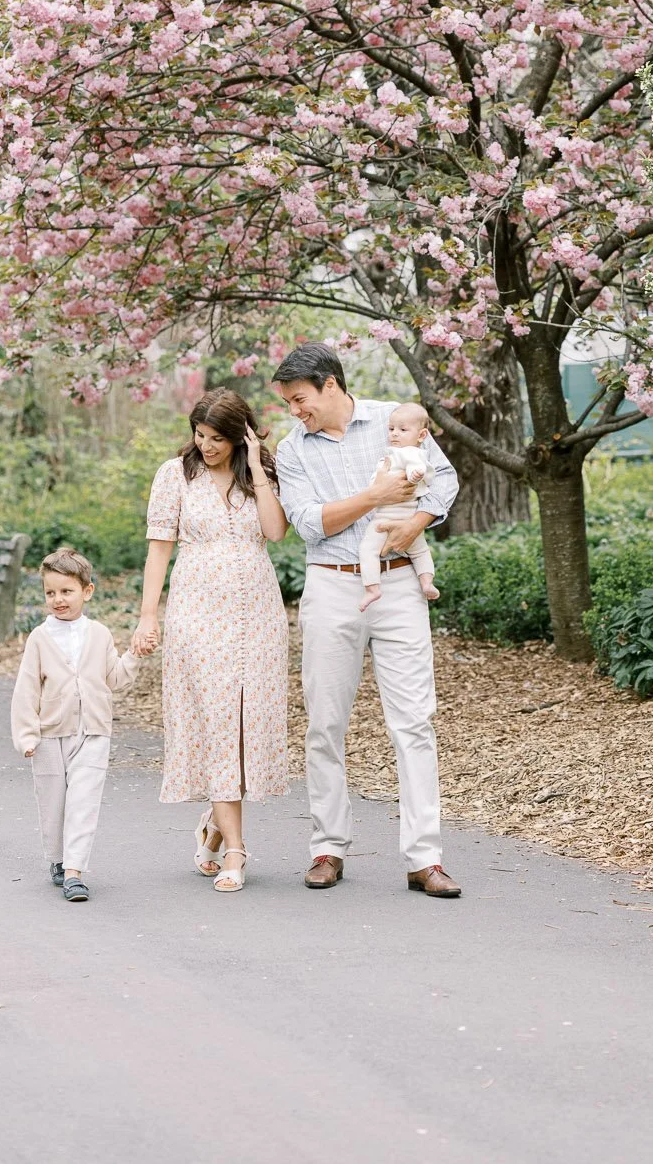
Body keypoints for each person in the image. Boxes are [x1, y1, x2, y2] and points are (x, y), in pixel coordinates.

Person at [273, 343, 462, 898]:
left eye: (300, 399)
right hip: (331, 584)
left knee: (414, 721)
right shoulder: (292, 449)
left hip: (400, 583)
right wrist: (374, 496)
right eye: (288, 403)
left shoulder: (393, 420)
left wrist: (417, 521)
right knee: (324, 722)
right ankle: (328, 847)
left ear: (330, 385)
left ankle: (425, 859)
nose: (295, 411)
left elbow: (444, 480)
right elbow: (309, 523)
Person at [131, 388, 289, 893]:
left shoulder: (260, 472)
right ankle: (236, 851)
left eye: (218, 438)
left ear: (241, 436)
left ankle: (216, 825)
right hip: (198, 614)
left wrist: (258, 470)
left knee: (247, 725)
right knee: (218, 723)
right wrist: (148, 617)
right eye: (200, 435)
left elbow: (276, 533)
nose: (207, 445)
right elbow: (159, 549)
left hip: (258, 616)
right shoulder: (174, 474)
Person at [10, 545, 142, 902]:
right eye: (50, 593)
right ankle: (58, 858)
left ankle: (74, 872)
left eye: (66, 591)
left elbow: (113, 678)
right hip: (50, 735)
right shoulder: (40, 638)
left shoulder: (99, 634)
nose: (58, 600)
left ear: (87, 591)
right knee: (53, 803)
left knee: (84, 802)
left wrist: (134, 655)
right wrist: (27, 735)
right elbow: (26, 689)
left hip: (94, 732)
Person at [357, 402, 441, 611]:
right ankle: (427, 582)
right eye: (391, 428)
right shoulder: (396, 453)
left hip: (385, 519)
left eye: (403, 430)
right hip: (408, 518)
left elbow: (416, 466)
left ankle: (372, 588)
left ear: (421, 435)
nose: (394, 434)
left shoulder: (409, 452)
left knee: (368, 550)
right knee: (420, 552)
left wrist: (415, 474)